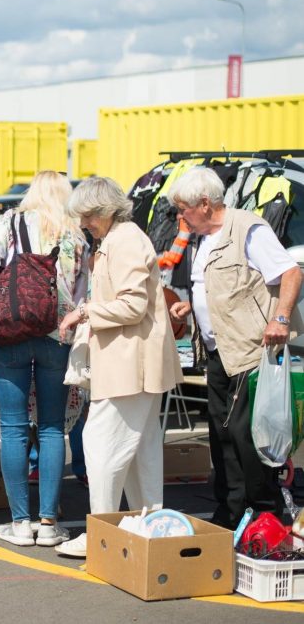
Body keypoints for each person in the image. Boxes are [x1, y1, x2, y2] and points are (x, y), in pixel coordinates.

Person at [167, 168, 303, 528]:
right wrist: (191, 307)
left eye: (184, 209)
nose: (180, 217)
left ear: (205, 204)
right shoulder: (203, 236)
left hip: (249, 349)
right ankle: (232, 510)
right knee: (222, 433)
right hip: (217, 352)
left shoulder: (247, 228)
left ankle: (264, 512)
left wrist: (282, 318)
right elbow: (217, 287)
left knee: (247, 436)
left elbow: (291, 273)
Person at [56, 176, 183, 558]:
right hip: (132, 363)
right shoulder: (117, 239)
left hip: (131, 364)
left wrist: (85, 312)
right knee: (138, 452)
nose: (83, 224)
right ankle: (149, 527)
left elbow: (133, 305)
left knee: (102, 445)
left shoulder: (125, 240)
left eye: (87, 216)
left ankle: (103, 532)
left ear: (106, 210)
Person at [0, 171, 88, 548]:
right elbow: (85, 288)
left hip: (12, 332)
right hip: (59, 334)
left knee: (14, 429)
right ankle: (50, 522)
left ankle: (21, 522)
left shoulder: (11, 222)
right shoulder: (78, 231)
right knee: (54, 428)